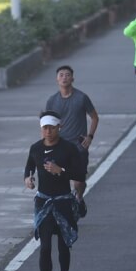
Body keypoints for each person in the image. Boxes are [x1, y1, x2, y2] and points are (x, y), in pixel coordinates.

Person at [24, 111, 81, 271]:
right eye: (44, 128)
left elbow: (79, 174)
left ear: (59, 127)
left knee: (64, 248)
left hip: (63, 203)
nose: (48, 132)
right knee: (45, 246)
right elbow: (29, 167)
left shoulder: (68, 149)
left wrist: (62, 172)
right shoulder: (36, 148)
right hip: (43, 204)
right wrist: (28, 179)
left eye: (51, 127)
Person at [45, 65, 99, 215]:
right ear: (57, 79)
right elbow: (47, 124)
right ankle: (63, 207)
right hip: (59, 146)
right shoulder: (52, 101)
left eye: (67, 75)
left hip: (78, 146)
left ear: (72, 78)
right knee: (58, 179)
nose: (64, 77)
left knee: (78, 181)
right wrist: (45, 144)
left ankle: (79, 198)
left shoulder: (81, 98)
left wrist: (90, 136)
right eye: (61, 75)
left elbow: (94, 117)